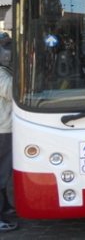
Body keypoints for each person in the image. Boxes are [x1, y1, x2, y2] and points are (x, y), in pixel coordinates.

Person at [0, 61, 17, 232]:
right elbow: (14, 92)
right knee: (2, 172)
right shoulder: (1, 74)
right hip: (3, 129)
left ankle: (5, 207)